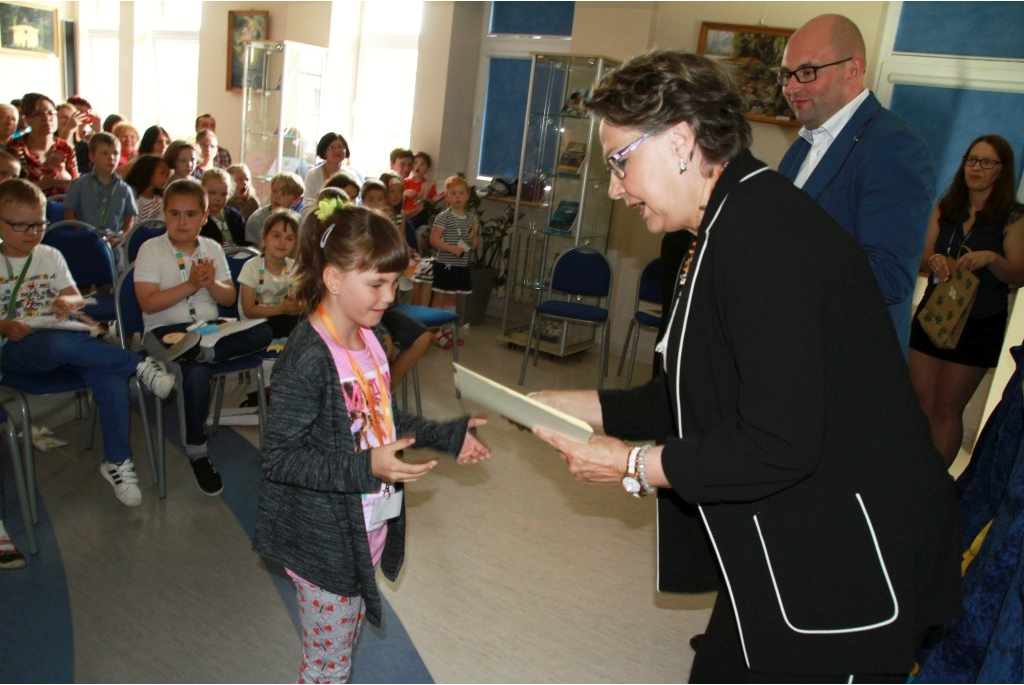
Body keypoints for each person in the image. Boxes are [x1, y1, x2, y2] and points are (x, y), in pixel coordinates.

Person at [527, 50, 961, 683]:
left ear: (680, 140)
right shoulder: (725, 221)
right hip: (782, 543)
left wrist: (630, 464)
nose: (616, 190)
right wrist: (580, 405)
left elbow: (777, 443)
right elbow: (693, 393)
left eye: (620, 164)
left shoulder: (765, 239)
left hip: (846, 559)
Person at [251, 198, 490, 684]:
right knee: (327, 667)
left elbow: (383, 419)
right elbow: (280, 459)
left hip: (363, 528)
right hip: (324, 542)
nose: (389, 295)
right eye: (377, 283)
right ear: (335, 279)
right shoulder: (308, 357)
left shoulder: (370, 340)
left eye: (395, 282)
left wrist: (448, 435)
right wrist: (367, 468)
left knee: (340, 643)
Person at [0, 178, 178, 507]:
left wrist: (67, 303)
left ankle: (117, 462)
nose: (31, 232)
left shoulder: (50, 254)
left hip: (65, 342)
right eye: (19, 225)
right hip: (16, 353)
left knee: (108, 378)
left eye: (38, 224)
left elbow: (71, 295)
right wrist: (5, 325)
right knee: (61, 346)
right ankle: (137, 364)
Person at [777, 14, 935, 355]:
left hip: (848, 360)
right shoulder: (800, 148)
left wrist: (779, 261)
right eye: (786, 75)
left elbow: (890, 276)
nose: (791, 87)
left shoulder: (894, 145)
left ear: (853, 70)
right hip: (796, 351)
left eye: (806, 72)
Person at [134, 179, 272, 495]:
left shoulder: (211, 248)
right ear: (164, 214)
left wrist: (209, 284)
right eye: (174, 214)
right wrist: (191, 284)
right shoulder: (151, 249)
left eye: (190, 214)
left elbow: (226, 298)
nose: (182, 222)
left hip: (210, 331)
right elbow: (147, 303)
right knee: (195, 373)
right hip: (164, 331)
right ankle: (198, 454)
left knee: (263, 330)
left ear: (205, 216)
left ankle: (200, 353)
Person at [909, 135, 1024, 468]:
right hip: (936, 315)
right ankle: (907, 471)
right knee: (919, 401)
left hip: (979, 320)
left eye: (987, 162)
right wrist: (934, 261)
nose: (977, 168)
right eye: (972, 160)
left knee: (946, 410)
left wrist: (991, 259)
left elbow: (1017, 274)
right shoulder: (948, 207)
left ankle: (932, 480)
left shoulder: (1013, 216)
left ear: (1002, 170)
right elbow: (922, 256)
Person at [237, 208, 302, 341]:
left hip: (284, 319)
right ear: (264, 237)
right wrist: (282, 309)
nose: (282, 242)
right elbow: (249, 310)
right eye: (276, 236)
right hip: (255, 323)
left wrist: (298, 305)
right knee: (264, 333)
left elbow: (297, 300)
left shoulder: (294, 266)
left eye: (289, 238)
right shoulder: (251, 267)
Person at [429, 175, 477, 349]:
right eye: (453, 193)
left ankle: (448, 330)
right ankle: (434, 331)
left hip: (460, 266)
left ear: (467, 195)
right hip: (445, 264)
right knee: (440, 298)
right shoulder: (444, 217)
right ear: (447, 196)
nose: (457, 197)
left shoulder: (472, 218)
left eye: (461, 193)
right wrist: (451, 248)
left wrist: (474, 241)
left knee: (452, 298)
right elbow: (434, 240)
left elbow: (472, 236)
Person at [63, 132, 137, 238]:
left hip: (112, 246)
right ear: (92, 156)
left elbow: (130, 219)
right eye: (104, 153)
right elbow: (69, 214)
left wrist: (119, 237)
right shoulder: (79, 184)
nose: (111, 157)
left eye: (115, 153)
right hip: (83, 241)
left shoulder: (125, 189)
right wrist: (84, 233)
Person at [6, 93, 77, 196]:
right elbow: (8, 191)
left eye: (51, 113)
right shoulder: (14, 148)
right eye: (38, 114)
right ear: (27, 119)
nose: (46, 118)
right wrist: (44, 184)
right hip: (25, 208)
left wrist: (66, 178)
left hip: (63, 207)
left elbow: (79, 188)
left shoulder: (65, 147)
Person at [244, 171, 303, 245]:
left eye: (283, 194)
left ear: (296, 199)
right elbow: (259, 251)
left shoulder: (298, 221)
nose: (277, 197)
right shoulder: (257, 219)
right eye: (274, 191)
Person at [199, 167, 247, 247]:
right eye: (212, 193)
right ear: (201, 191)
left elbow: (245, 242)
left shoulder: (234, 216)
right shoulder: (197, 218)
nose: (218, 198)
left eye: (223, 194)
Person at [302, 132, 350, 208]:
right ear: (324, 152)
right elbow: (308, 203)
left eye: (340, 147)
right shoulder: (313, 174)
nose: (337, 150)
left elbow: (353, 202)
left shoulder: (351, 175)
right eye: (331, 147)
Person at [124, 154, 170, 224]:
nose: (166, 178)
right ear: (148, 172)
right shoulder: (129, 195)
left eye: (167, 174)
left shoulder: (160, 202)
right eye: (162, 173)